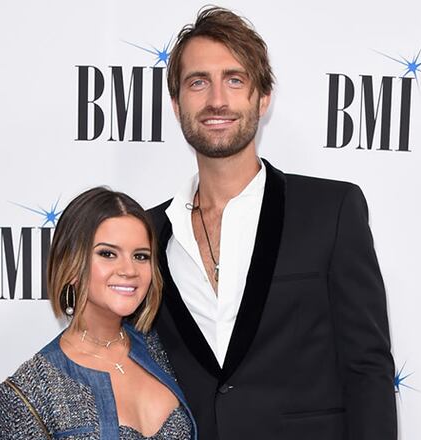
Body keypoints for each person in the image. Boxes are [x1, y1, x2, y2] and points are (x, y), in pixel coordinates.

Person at [148, 6, 397, 439]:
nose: (217, 100)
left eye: (235, 79)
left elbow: (367, 369)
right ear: (176, 103)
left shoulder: (331, 210)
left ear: (263, 99)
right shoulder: (148, 234)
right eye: (198, 82)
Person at [0, 187, 197, 439]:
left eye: (141, 256)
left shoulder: (164, 349)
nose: (129, 270)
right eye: (108, 254)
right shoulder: (30, 391)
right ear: (70, 265)